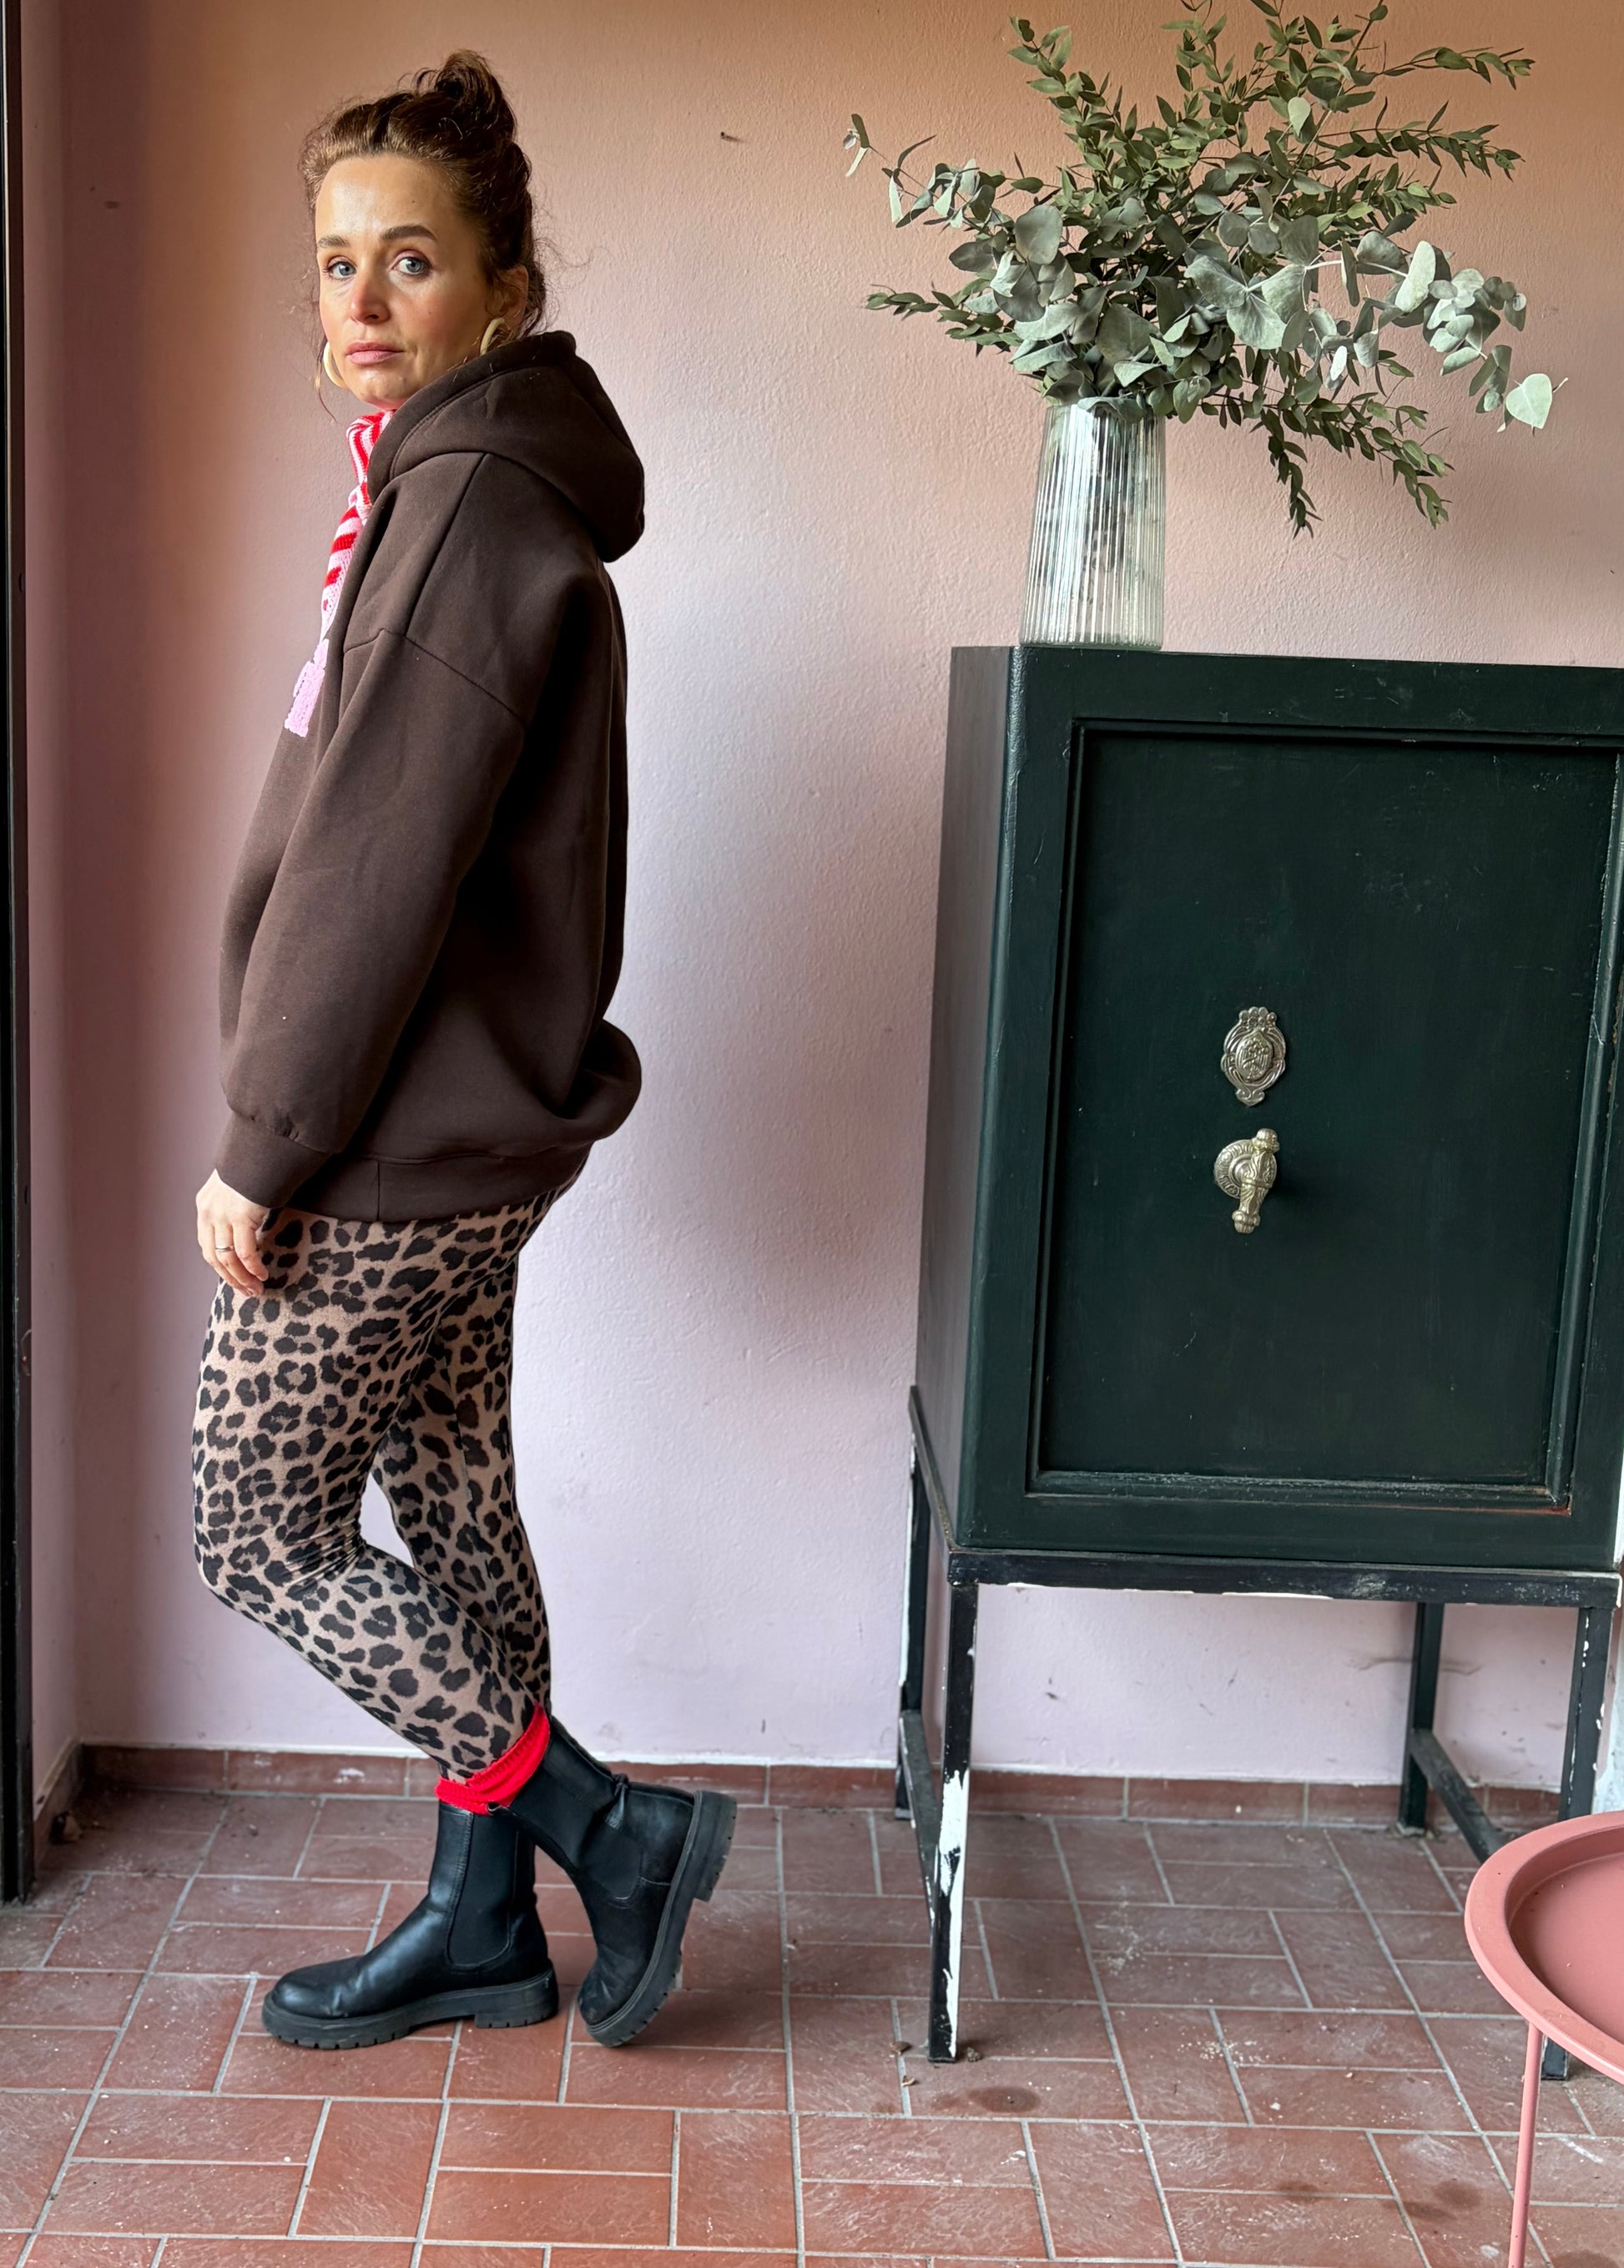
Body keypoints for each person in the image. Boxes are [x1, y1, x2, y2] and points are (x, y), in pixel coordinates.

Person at [190, 51, 733, 2053]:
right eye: (336, 258)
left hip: (390, 1140)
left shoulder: (470, 502)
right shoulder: (461, 484)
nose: (358, 297)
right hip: (460, 1126)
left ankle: (609, 1831)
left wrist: (266, 1140)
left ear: (504, 286)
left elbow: (373, 863)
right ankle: (485, 1922)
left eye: (408, 258)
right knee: (456, 1513)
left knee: (252, 1528)